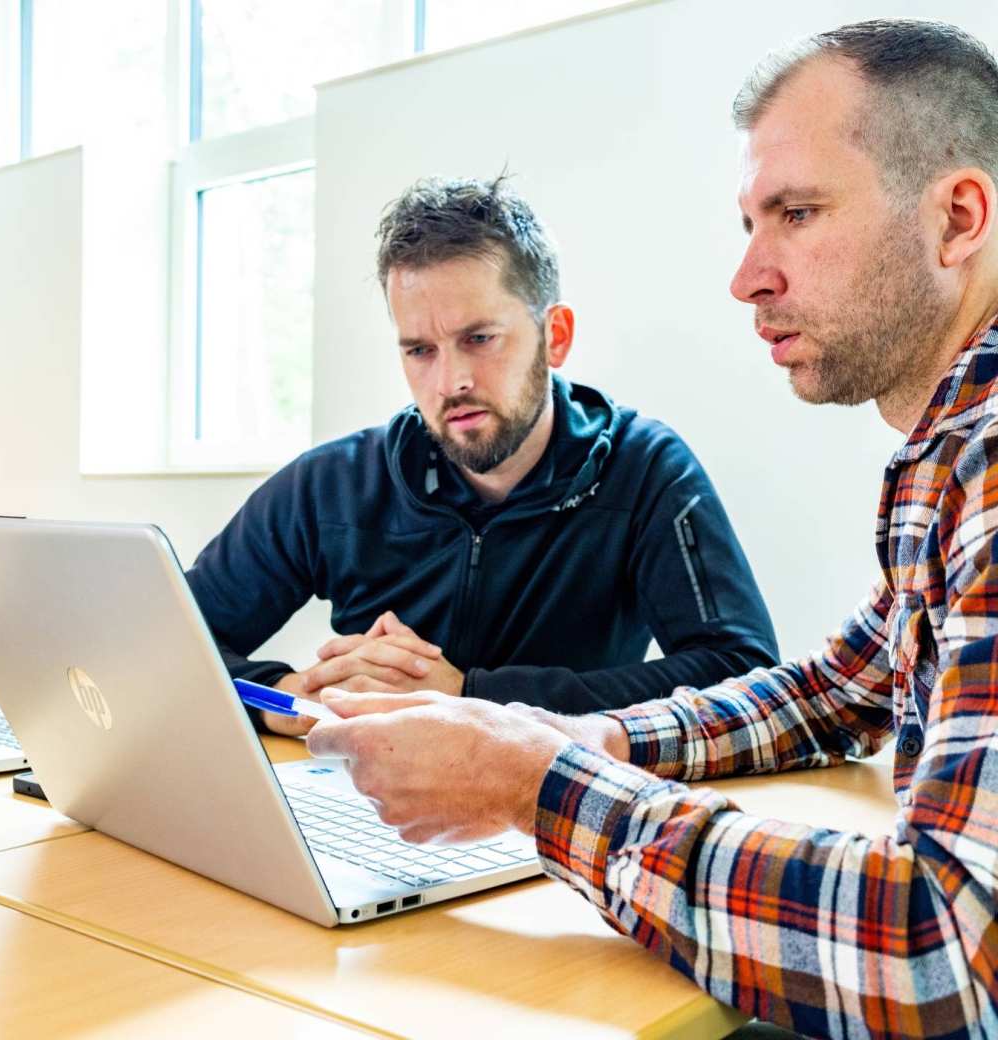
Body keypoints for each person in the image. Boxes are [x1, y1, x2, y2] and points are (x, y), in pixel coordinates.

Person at [307, 19, 998, 1039]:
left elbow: (939, 946)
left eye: (796, 213)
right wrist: (568, 736)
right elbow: (826, 692)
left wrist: (531, 782)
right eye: (749, 223)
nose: (746, 276)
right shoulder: (942, 454)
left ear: (956, 219)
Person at [187, 176, 778, 736]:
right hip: (364, 800)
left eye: (479, 339)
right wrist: (284, 701)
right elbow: (169, 650)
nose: (450, 382)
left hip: (557, 809)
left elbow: (743, 676)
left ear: (557, 337)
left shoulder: (644, 468)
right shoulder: (332, 484)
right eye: (420, 350)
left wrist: (471, 697)